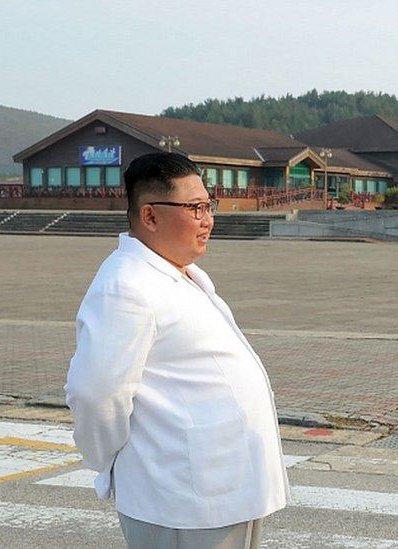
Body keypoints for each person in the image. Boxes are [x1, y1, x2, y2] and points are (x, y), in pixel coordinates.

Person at [65, 152, 289, 548]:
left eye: (208, 205)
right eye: (195, 208)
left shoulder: (179, 274)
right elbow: (96, 394)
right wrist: (110, 462)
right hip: (180, 496)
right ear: (150, 216)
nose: (208, 219)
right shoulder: (126, 287)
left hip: (224, 488)